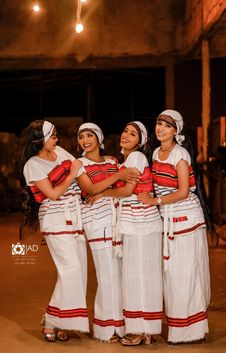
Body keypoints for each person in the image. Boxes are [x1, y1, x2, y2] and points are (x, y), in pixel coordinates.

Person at [138, 110, 211, 344]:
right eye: (159, 123)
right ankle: (177, 327)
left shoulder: (179, 154)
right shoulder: (156, 152)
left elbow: (182, 191)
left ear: (175, 130)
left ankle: (189, 331)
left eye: (167, 126)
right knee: (170, 275)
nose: (160, 128)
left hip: (185, 218)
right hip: (167, 219)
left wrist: (154, 201)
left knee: (184, 274)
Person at [87, 121, 163, 346]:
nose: (126, 135)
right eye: (125, 131)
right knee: (139, 276)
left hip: (141, 224)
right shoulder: (126, 160)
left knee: (138, 277)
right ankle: (146, 330)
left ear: (141, 141)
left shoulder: (137, 158)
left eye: (133, 134)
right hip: (136, 224)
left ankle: (140, 330)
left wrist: (103, 195)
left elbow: (129, 190)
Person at [19, 120, 89, 342]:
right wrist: (72, 174)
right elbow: (53, 193)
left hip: (75, 216)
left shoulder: (59, 152)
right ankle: (51, 319)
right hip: (55, 218)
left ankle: (63, 322)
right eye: (52, 136)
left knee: (78, 271)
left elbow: (80, 166)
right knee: (71, 270)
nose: (56, 140)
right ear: (40, 139)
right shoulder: (32, 164)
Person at [76, 122, 139, 343]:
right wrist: (117, 177)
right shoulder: (79, 164)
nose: (85, 140)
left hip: (118, 221)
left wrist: (109, 190)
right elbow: (91, 189)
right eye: (81, 136)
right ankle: (106, 329)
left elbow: (124, 189)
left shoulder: (113, 160)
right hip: (96, 222)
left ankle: (120, 327)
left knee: (120, 275)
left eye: (90, 135)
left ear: (99, 138)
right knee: (107, 276)